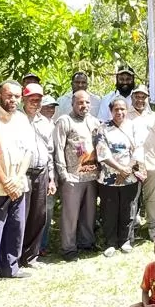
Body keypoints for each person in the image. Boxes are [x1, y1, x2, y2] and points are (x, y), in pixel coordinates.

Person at [0, 81, 34, 289]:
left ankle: (11, 267)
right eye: (9, 96)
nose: (13, 100)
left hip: (19, 184)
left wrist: (18, 178)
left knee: (16, 226)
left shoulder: (21, 119)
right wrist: (6, 182)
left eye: (17, 97)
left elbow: (28, 150)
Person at [54, 90, 102, 261]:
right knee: (70, 214)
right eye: (80, 103)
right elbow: (58, 148)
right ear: (73, 104)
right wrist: (62, 173)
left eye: (87, 103)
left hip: (91, 175)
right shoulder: (64, 121)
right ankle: (68, 248)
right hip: (72, 176)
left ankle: (86, 242)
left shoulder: (94, 122)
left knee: (89, 213)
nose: (84, 106)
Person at [95, 97, 145, 257]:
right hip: (109, 178)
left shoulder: (133, 127)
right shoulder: (102, 128)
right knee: (109, 210)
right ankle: (110, 242)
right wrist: (120, 169)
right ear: (111, 111)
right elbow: (102, 152)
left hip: (129, 177)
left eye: (123, 109)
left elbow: (139, 149)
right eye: (116, 109)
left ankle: (125, 240)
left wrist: (127, 170)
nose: (120, 112)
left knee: (128, 209)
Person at [19, 84, 55, 270]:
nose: (35, 103)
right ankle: (14, 257)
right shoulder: (16, 119)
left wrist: (52, 178)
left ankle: (31, 257)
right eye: (32, 99)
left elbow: (50, 152)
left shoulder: (45, 122)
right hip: (22, 174)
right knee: (20, 217)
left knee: (38, 216)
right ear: (23, 99)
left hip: (42, 172)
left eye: (39, 99)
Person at [129, 85, 155, 241]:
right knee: (132, 198)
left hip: (151, 163)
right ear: (132, 97)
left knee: (151, 197)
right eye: (137, 96)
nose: (140, 99)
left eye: (143, 97)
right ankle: (132, 229)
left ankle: (153, 228)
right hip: (131, 165)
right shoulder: (125, 115)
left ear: (147, 98)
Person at [36, 94, 60, 255]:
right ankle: (35, 246)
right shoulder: (35, 124)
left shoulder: (55, 124)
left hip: (56, 171)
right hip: (42, 171)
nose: (50, 110)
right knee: (39, 210)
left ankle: (43, 245)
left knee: (49, 209)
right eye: (47, 106)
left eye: (52, 107)